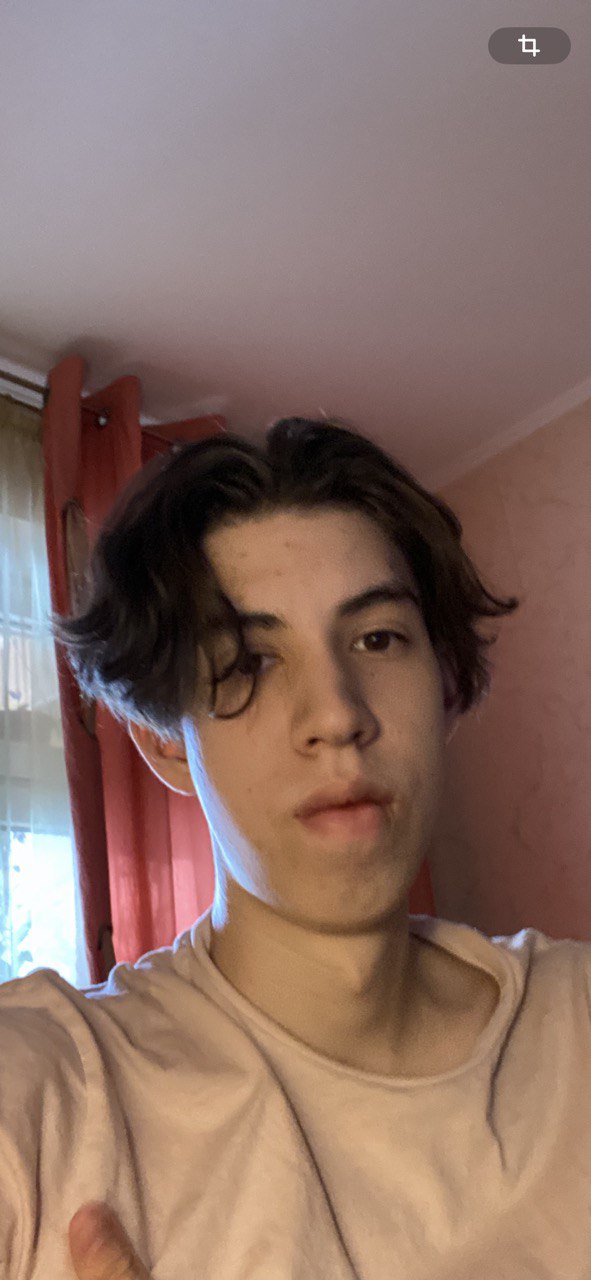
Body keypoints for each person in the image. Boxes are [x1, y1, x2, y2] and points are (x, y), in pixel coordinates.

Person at [2, 416, 590, 1280]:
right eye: (248, 660)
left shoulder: (575, 1023)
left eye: (378, 639)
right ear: (165, 737)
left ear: (444, 683)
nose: (338, 715)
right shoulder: (53, 1094)